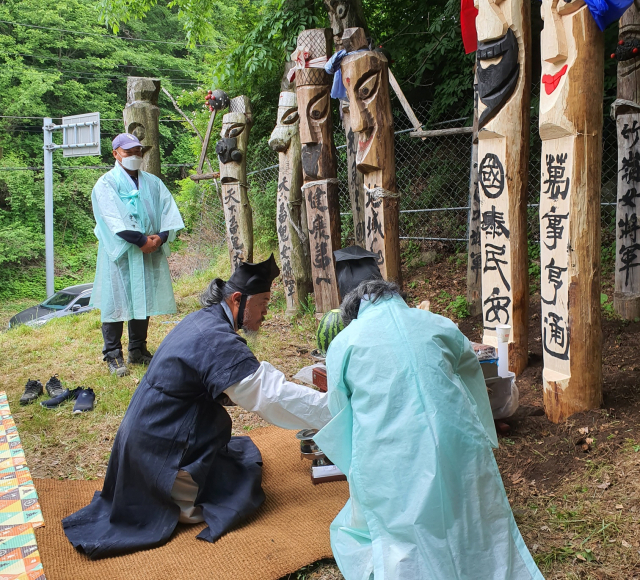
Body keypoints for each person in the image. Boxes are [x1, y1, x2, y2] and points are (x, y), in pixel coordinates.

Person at [62, 255, 331, 559]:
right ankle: (172, 496)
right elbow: (273, 397)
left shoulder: (203, 319)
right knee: (240, 491)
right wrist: (335, 410)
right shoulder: (216, 339)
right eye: (264, 303)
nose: (266, 314)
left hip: (142, 444)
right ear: (238, 300)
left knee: (240, 463)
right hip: (160, 455)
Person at [314, 279, 544, 580]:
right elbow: (471, 373)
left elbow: (339, 411)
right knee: (469, 513)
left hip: (390, 456)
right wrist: (480, 427)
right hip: (458, 443)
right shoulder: (436, 323)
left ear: (354, 313)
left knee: (398, 527)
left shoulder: (345, 342)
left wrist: (355, 460)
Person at [90, 133, 184, 377]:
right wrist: (140, 240)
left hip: (148, 249)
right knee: (116, 301)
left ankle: (138, 350)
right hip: (121, 252)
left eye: (138, 151)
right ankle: (113, 355)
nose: (134, 156)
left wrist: (160, 237)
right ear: (116, 154)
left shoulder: (152, 182)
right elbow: (111, 218)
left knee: (143, 298)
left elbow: (168, 209)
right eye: (129, 152)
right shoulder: (106, 184)